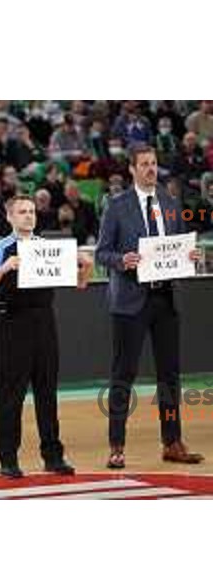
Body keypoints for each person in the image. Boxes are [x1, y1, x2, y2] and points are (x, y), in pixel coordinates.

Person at [95, 143, 204, 469]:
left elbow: (179, 246)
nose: (150, 169)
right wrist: (122, 260)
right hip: (130, 301)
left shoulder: (171, 204)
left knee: (169, 378)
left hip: (165, 300)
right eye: (144, 164)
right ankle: (116, 445)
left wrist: (190, 257)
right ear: (131, 169)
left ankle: (172, 442)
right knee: (122, 376)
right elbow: (102, 253)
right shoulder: (116, 205)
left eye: (154, 163)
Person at [0, 195, 92, 478]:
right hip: (13, 321)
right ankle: (8, 459)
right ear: (9, 217)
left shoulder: (48, 248)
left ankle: (53, 456)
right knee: (10, 394)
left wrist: (86, 266)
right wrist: (4, 268)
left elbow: (80, 284)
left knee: (47, 392)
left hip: (44, 320)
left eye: (31, 211)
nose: (29, 216)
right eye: (22, 212)